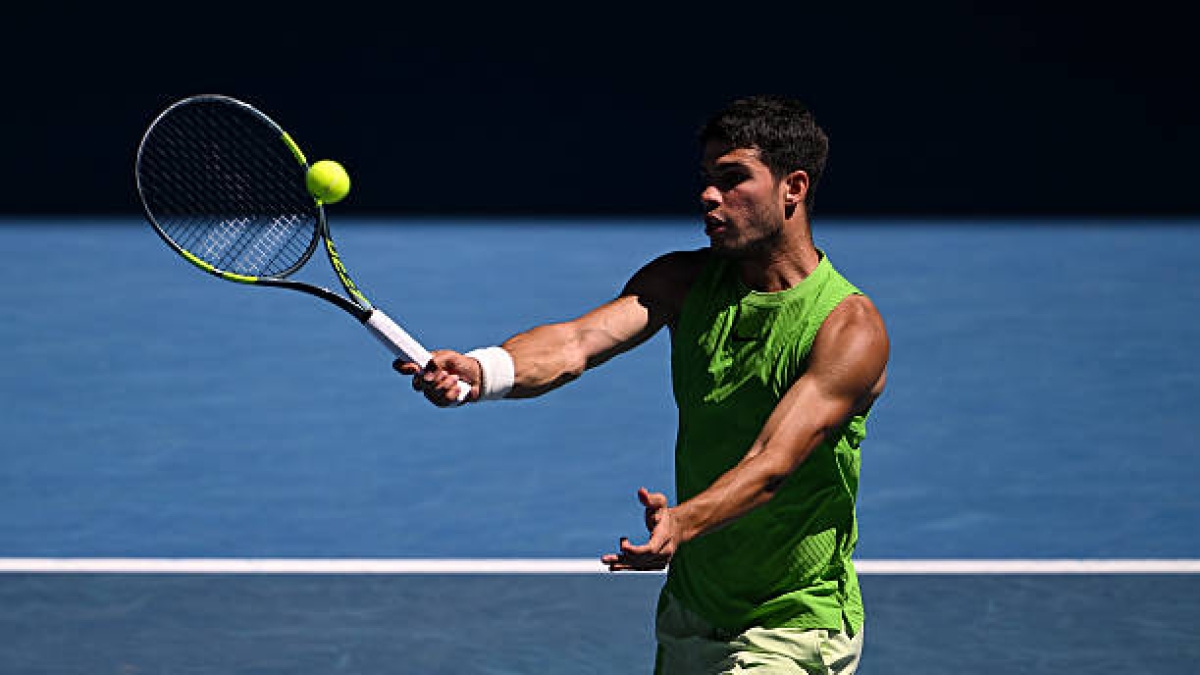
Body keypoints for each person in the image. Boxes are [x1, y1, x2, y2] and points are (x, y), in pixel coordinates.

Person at [395, 94, 889, 674]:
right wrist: (485, 370)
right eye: (707, 178)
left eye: (733, 179)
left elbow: (772, 462)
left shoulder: (848, 329)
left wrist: (684, 521)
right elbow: (576, 342)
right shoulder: (682, 281)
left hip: (792, 624)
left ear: (793, 188)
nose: (709, 195)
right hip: (692, 612)